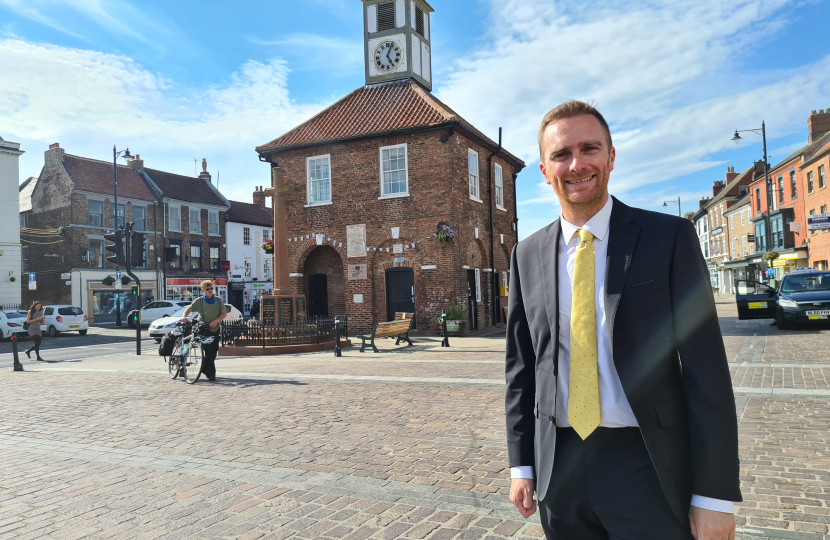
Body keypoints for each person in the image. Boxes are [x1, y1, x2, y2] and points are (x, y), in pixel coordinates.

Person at [505, 100, 740, 540]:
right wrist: (522, 464)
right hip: (561, 467)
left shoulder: (667, 238)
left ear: (611, 157)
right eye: (561, 154)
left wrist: (713, 495)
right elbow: (521, 371)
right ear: (544, 169)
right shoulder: (527, 254)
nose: (577, 164)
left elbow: (706, 371)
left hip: (647, 463)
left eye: (590, 148)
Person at [181, 280, 228, 381]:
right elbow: (188, 310)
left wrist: (216, 321)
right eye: (208, 289)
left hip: (215, 328)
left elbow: (224, 314)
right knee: (208, 351)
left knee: (214, 350)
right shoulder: (199, 301)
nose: (210, 290)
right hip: (203, 328)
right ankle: (211, 374)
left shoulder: (218, 300)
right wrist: (184, 317)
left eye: (211, 288)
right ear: (203, 290)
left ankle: (204, 368)